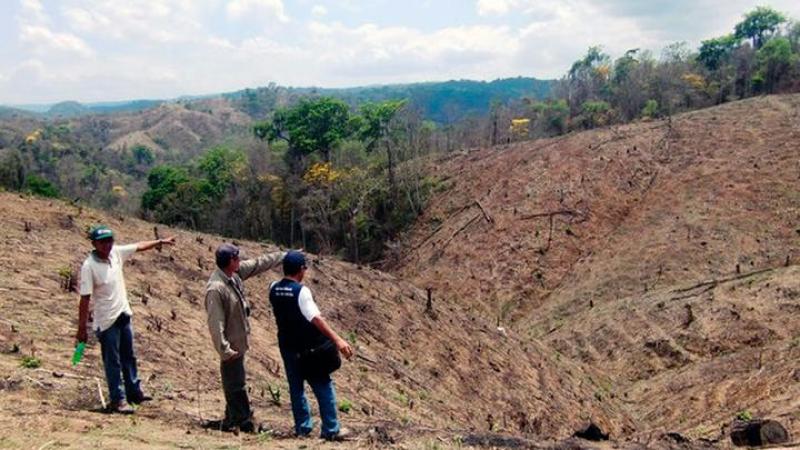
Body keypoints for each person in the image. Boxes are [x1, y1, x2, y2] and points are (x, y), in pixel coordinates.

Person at [76, 225, 176, 414]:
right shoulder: (89, 266)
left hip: (123, 314)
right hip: (106, 321)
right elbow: (85, 299)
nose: (107, 245)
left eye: (109, 241)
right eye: (102, 242)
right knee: (112, 361)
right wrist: (82, 328)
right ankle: (118, 399)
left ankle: (134, 392)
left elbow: (138, 246)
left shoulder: (116, 253)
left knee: (129, 356)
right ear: (94, 244)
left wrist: (160, 242)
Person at [269, 251, 354, 441]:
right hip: (308, 349)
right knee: (323, 385)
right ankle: (331, 429)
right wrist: (338, 340)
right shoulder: (302, 292)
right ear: (301, 269)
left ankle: (302, 428)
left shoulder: (273, 288)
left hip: (287, 347)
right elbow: (316, 319)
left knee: (296, 388)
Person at [204, 244, 285, 433]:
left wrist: (283, 256)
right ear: (230, 262)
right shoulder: (216, 289)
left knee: (235, 381)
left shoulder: (235, 274)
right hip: (231, 346)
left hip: (239, 342)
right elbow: (215, 323)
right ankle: (243, 421)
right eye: (237, 258)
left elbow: (259, 263)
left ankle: (233, 417)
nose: (240, 261)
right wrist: (224, 349)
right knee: (235, 385)